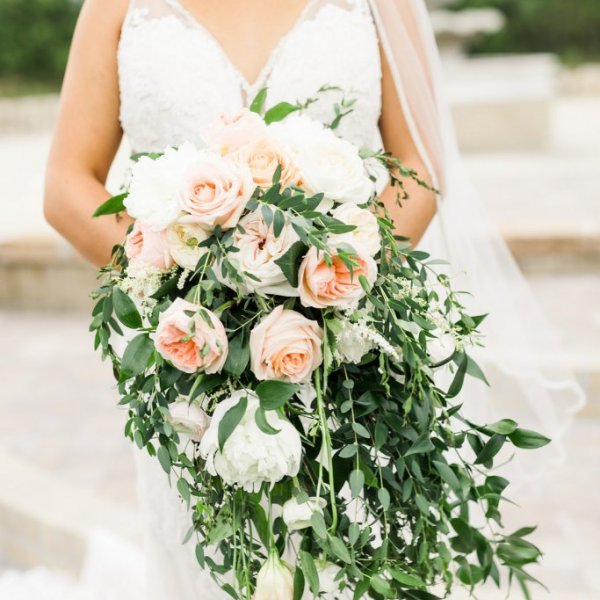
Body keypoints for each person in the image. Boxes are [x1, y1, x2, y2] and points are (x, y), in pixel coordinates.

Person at [37, 1, 583, 598]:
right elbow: (67, 186)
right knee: (207, 563)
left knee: (350, 560)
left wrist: (332, 292)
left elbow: (419, 167)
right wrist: (184, 290)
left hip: (347, 374)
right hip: (190, 371)